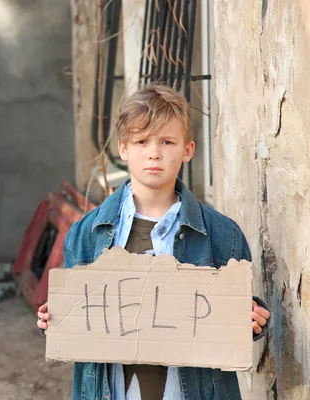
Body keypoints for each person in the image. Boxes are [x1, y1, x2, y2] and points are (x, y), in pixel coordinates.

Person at [36, 84, 271, 400]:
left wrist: (252, 319)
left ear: (187, 150)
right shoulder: (85, 232)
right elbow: (76, 315)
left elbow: (235, 318)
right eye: (141, 141)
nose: (154, 153)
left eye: (167, 141)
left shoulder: (223, 235)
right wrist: (52, 318)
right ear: (123, 148)